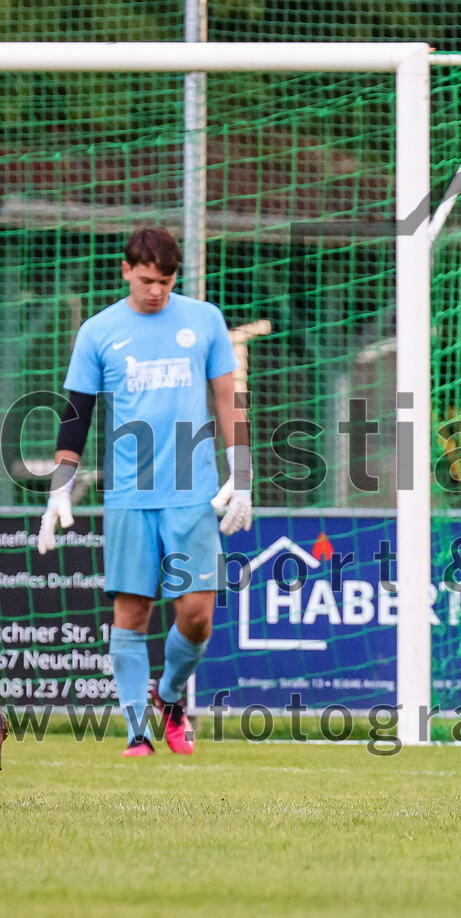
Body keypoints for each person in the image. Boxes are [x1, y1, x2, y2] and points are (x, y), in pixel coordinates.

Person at [36, 227, 252, 758]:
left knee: (196, 613)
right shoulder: (98, 331)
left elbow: (228, 397)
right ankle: (138, 734)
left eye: (166, 280)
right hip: (130, 496)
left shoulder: (204, 320)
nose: (156, 290)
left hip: (193, 493)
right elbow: (76, 416)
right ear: (126, 270)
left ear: (177, 276)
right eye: (147, 279)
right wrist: (59, 490)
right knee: (132, 614)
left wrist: (240, 470)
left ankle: (171, 697)